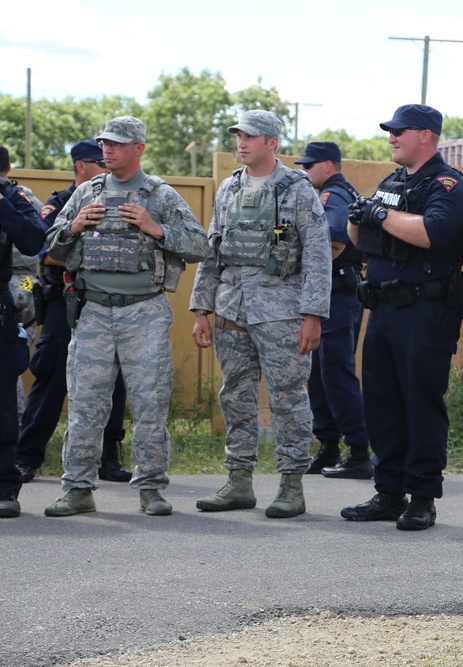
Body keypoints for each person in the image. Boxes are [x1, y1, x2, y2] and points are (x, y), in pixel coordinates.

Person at [42, 117, 208, 517]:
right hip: (94, 310)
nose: (107, 150)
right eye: (104, 143)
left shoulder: (160, 195)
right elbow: (48, 248)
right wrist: (73, 228)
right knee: (85, 402)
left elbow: (200, 245)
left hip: (144, 313)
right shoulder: (87, 192)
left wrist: (156, 229)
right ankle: (78, 488)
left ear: (139, 148)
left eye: (116, 143)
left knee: (150, 404)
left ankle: (151, 488)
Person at [340, 103, 463, 531]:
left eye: (400, 131)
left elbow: (433, 232)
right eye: (391, 131)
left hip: (426, 310)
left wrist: (380, 214)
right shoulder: (392, 181)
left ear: (426, 136)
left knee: (420, 403)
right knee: (382, 404)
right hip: (382, 309)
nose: (392, 137)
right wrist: (359, 219)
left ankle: (422, 497)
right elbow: (361, 242)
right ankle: (389, 492)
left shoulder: (448, 184)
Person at [191, 110, 331, 519]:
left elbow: (318, 256)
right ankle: (238, 482)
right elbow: (211, 250)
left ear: (272, 142)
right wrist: (202, 308)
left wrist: (313, 316)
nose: (241, 143)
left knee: (288, 398)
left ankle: (291, 485)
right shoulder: (228, 188)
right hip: (231, 309)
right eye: (238, 136)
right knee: (235, 396)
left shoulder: (297, 190)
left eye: (250, 136)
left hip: (282, 313)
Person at [16, 140, 131, 484]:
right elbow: (45, 253)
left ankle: (107, 457)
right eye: (100, 160)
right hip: (64, 303)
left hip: (106, 302)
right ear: (82, 165)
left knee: (115, 382)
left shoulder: (118, 200)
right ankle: (27, 457)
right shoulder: (59, 204)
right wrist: (97, 252)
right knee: (51, 377)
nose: (107, 166)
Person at [292, 141, 372, 479]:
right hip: (336, 293)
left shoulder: (332, 194)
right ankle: (328, 447)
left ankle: (358, 451)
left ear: (328, 166)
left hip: (337, 294)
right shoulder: (336, 191)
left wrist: (316, 265)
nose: (306, 172)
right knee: (320, 375)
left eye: (310, 167)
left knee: (336, 375)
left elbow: (336, 234)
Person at [0, 144, 48, 518]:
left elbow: (36, 240)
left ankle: (5, 485)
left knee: (3, 400)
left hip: (19, 284)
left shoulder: (16, 196)